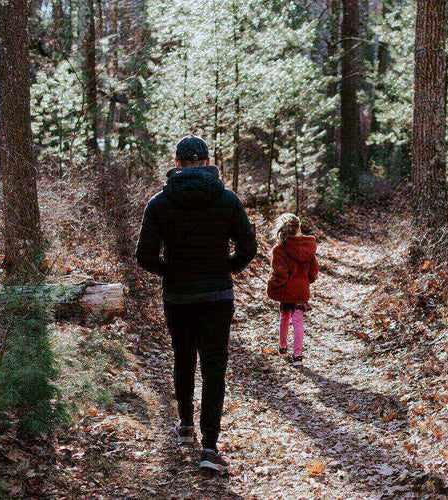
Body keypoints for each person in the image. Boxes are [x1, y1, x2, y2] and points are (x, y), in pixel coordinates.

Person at [136, 135, 257, 473]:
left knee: (183, 357)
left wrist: (170, 271)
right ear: (206, 162)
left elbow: (144, 255)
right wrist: (226, 269)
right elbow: (249, 247)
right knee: (214, 367)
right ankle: (209, 447)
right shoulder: (227, 200)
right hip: (218, 296)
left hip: (178, 295)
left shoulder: (160, 203)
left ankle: (186, 425)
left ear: (177, 163)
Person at [266, 214, 318, 367]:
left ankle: (282, 348)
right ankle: (298, 356)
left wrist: (272, 286)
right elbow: (313, 272)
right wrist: (305, 282)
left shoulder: (279, 249)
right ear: (298, 229)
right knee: (298, 321)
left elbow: (279, 274)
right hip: (301, 291)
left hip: (286, 291)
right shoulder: (308, 247)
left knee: (284, 317)